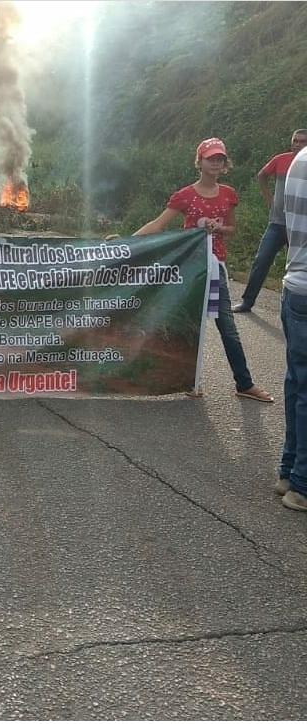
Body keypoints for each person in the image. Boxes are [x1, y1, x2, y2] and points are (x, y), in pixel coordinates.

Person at [133, 137, 273, 403]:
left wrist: (218, 228)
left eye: (220, 159)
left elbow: (231, 229)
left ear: (225, 164)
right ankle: (187, 380)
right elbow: (158, 224)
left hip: (215, 267)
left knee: (227, 326)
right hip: (189, 269)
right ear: (200, 162)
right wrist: (127, 242)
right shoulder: (185, 195)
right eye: (211, 158)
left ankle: (244, 383)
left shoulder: (228, 194)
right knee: (184, 324)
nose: (216, 163)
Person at [233, 129, 307, 313]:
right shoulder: (280, 159)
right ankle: (247, 302)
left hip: (298, 228)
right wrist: (270, 200)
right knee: (261, 260)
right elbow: (261, 175)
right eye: (295, 140)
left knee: (298, 270)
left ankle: (293, 309)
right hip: (277, 223)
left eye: (302, 141)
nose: (297, 144)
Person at [276, 143, 307, 510]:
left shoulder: (300, 158)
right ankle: (301, 484)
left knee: (297, 383)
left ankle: (290, 471)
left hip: (294, 284)